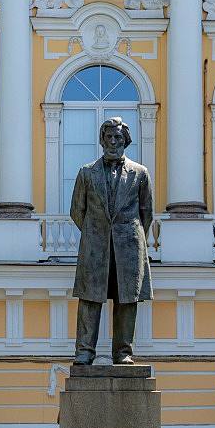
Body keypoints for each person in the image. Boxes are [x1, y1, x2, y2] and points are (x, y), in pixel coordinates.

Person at [69, 117, 153, 365]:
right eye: (109, 137)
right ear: (102, 140)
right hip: (95, 246)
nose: (113, 141)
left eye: (118, 137)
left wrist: (128, 236)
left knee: (127, 300)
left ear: (125, 140)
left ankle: (123, 351)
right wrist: (97, 233)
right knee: (90, 299)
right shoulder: (86, 173)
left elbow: (146, 213)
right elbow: (77, 211)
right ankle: (84, 351)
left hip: (128, 246)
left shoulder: (140, 173)